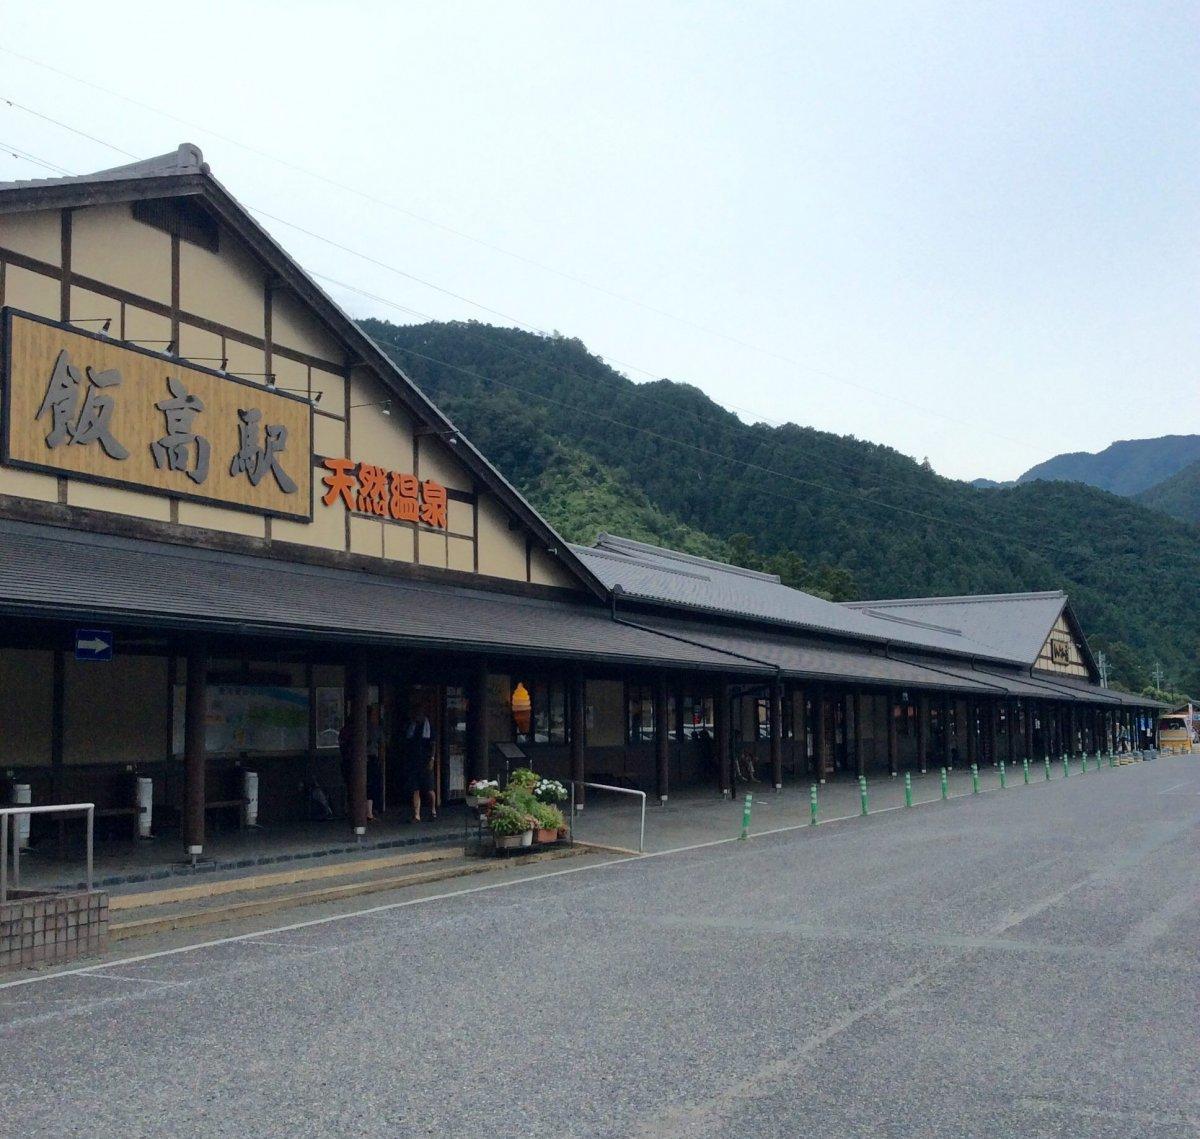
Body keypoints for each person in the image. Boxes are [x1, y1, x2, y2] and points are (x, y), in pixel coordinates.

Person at [404, 711, 437, 823]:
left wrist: (432, 759)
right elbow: (408, 741)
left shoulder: (429, 728)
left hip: (426, 761)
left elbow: (433, 744)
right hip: (414, 762)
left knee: (429, 788)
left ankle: (433, 810)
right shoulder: (412, 728)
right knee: (415, 788)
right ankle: (417, 814)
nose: (416, 717)